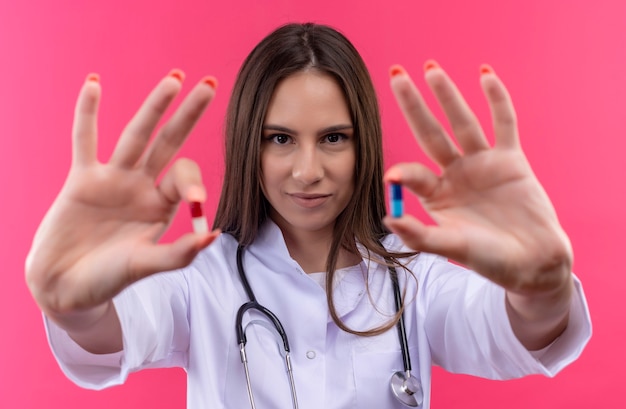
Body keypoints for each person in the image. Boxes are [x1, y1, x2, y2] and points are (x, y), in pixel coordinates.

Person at [25, 22, 591, 408]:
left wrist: (541, 290)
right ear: (250, 144)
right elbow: (115, 332)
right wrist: (76, 306)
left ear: (363, 142)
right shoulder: (203, 279)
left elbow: (510, 331)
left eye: (334, 138)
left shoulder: (414, 280)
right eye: (280, 139)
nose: (307, 171)